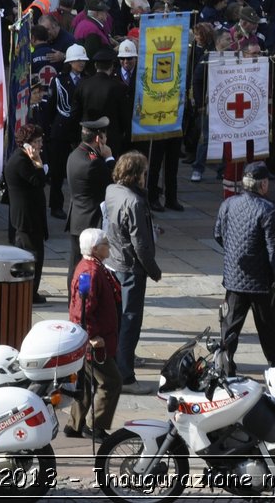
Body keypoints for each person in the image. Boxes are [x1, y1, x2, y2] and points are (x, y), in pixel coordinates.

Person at [214, 162, 275, 374]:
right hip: (260, 281)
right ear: (263, 184)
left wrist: (233, 254)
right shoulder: (268, 210)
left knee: (230, 325)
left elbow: (218, 235)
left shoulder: (228, 204)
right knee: (267, 326)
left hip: (234, 276)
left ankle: (225, 363)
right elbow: (274, 250)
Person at [103, 151, 162, 388]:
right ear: (136, 175)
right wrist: (154, 270)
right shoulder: (135, 201)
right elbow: (141, 244)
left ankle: (116, 363)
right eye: (144, 173)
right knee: (130, 321)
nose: (146, 177)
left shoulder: (112, 190)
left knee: (117, 319)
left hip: (114, 261)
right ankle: (125, 375)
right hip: (130, 268)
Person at [66, 228, 121, 442]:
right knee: (111, 381)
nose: (109, 246)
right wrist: (92, 337)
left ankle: (74, 425)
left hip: (96, 339)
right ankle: (97, 427)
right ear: (95, 249)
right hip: (95, 343)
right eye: (106, 243)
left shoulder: (93, 267)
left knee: (88, 380)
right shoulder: (90, 272)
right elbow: (83, 309)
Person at [4, 123, 51, 302]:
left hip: (26, 216)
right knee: (33, 256)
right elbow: (39, 181)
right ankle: (30, 294)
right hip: (28, 218)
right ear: (28, 144)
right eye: (37, 142)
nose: (40, 145)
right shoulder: (23, 161)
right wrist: (38, 164)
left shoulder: (20, 158)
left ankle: (24, 291)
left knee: (24, 254)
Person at [65, 116, 114, 273]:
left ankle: (73, 297)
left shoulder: (75, 155)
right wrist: (109, 158)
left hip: (76, 218)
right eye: (105, 137)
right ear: (99, 138)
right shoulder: (95, 162)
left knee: (75, 264)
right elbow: (115, 181)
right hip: (90, 220)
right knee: (89, 267)